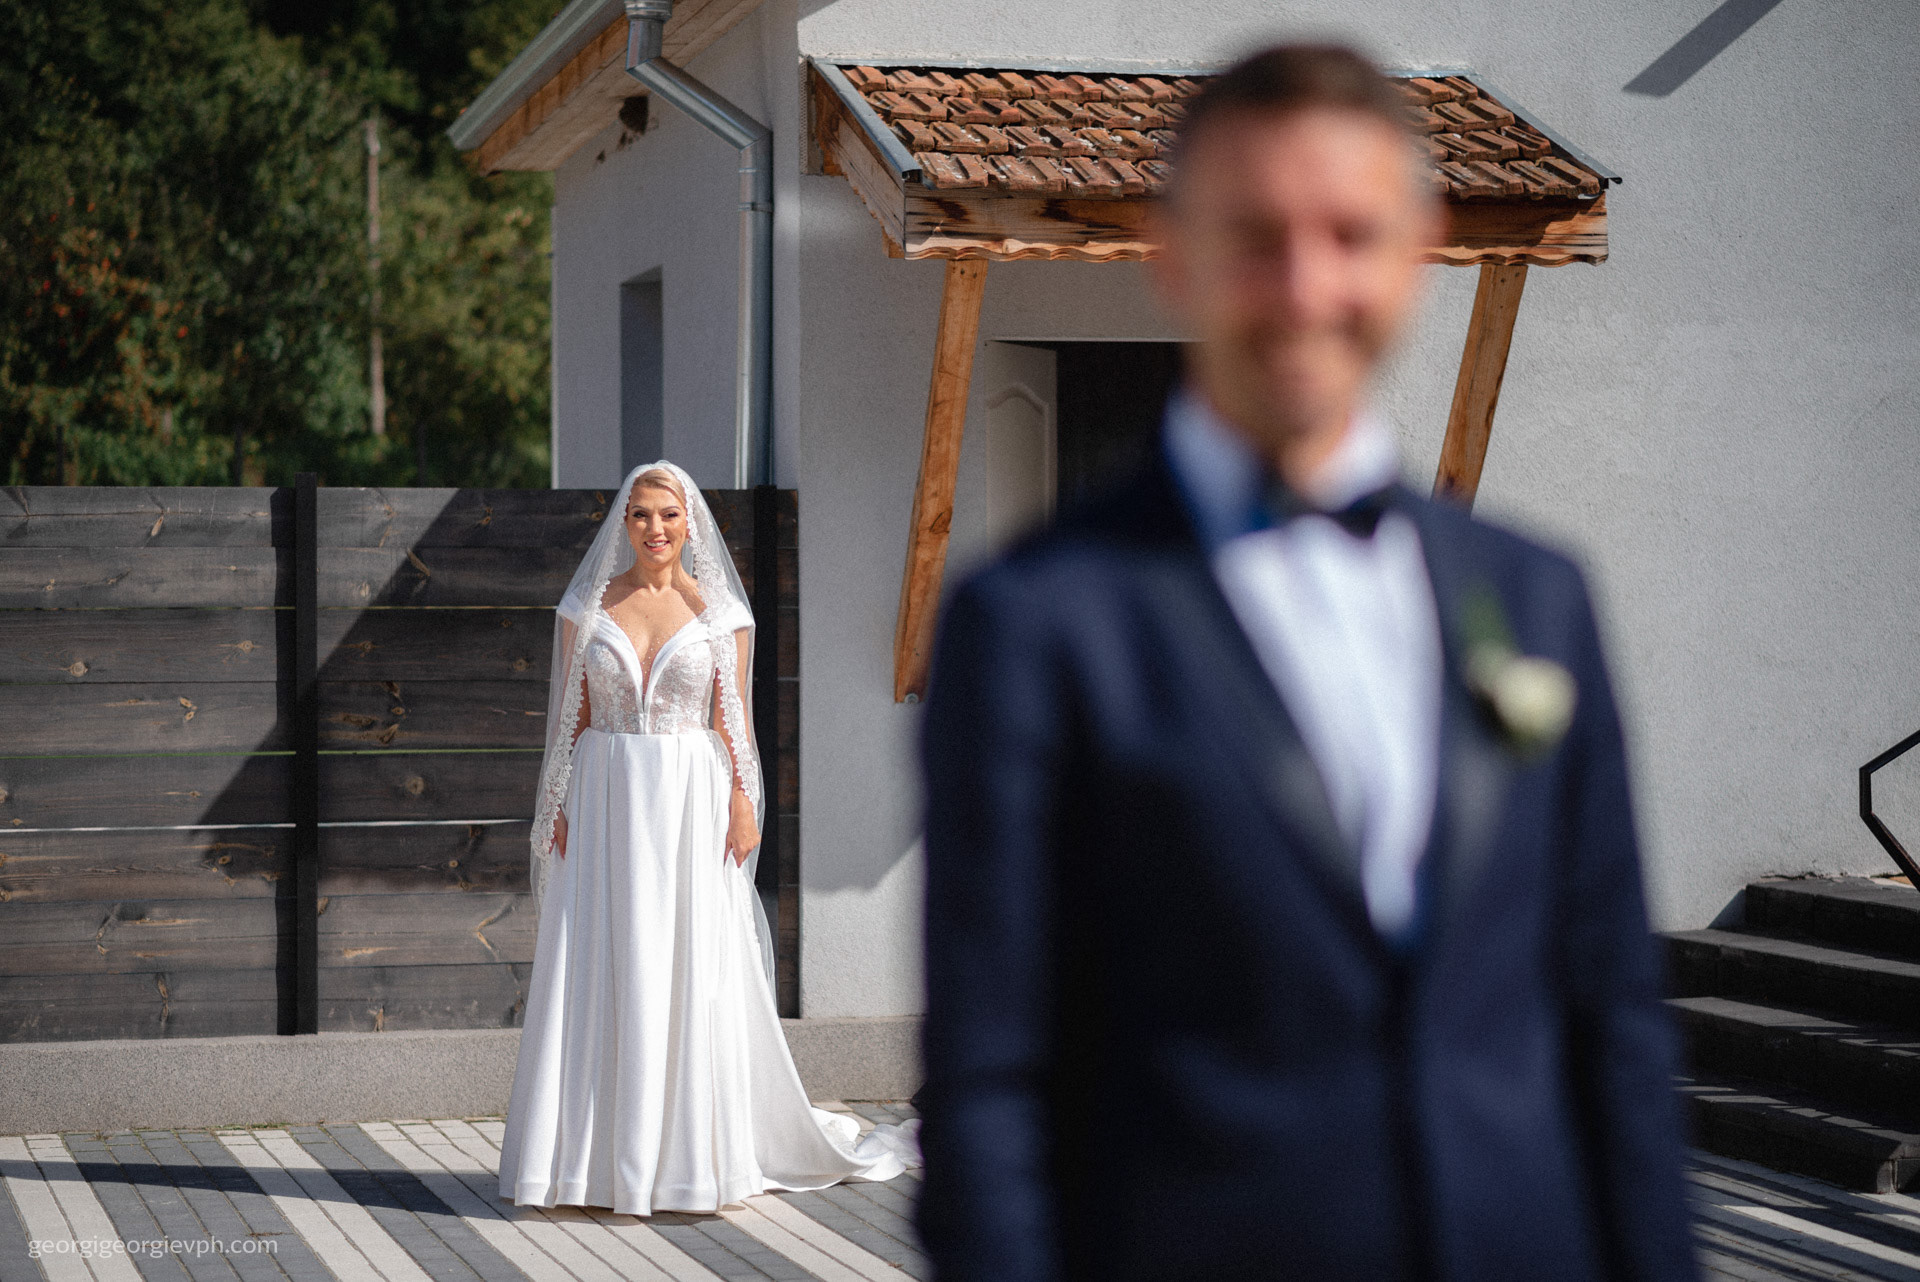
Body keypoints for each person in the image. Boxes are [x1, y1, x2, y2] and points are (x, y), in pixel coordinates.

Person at [915, 46, 1698, 1282]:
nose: (1305, 284)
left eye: (1349, 234)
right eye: (1255, 237)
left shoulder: (1537, 597)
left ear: (1417, 252)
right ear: (1171, 255)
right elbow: (987, 1084)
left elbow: (1615, 1023)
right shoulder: (1037, 622)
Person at [498, 461, 918, 1215]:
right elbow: (571, 718)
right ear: (624, 524)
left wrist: (744, 802)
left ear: (689, 523)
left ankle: (687, 1159)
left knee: (687, 961)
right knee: (601, 959)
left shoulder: (723, 616)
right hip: (603, 797)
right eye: (640, 514)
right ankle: (589, 1164)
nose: (654, 528)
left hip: (690, 799)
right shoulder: (585, 609)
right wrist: (556, 800)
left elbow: (736, 725)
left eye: (668, 514)